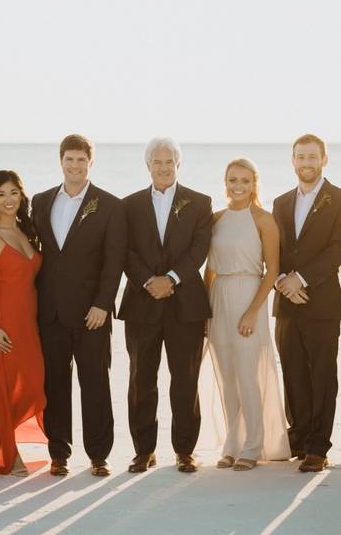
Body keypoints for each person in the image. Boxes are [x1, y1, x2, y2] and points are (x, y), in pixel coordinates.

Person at [31, 134, 126, 477]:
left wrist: (103, 304)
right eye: (69, 159)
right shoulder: (40, 202)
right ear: (60, 161)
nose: (75, 166)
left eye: (81, 160)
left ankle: (99, 455)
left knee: (95, 382)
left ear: (90, 163)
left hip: (92, 315)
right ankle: (58, 453)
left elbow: (114, 262)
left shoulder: (110, 205)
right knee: (54, 384)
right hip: (51, 313)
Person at [119, 137, 213, 473]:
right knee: (141, 379)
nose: (163, 167)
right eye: (156, 162)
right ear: (148, 166)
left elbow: (199, 250)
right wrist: (148, 281)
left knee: (185, 380)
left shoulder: (200, 203)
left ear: (178, 164)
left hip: (185, 303)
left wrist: (170, 279)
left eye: (168, 162)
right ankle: (143, 450)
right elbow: (125, 252)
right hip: (141, 305)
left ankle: (184, 450)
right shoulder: (128, 205)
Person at [272, 134, 341, 473]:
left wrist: (301, 279)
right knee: (293, 373)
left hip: (321, 302)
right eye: (301, 157)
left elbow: (338, 250)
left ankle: (318, 447)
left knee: (322, 375)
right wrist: (282, 281)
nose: (306, 163)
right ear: (292, 160)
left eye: (312, 157)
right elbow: (274, 249)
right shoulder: (279, 203)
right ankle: (299, 437)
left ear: (324, 159)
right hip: (287, 302)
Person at [205, 158, 290, 471]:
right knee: (226, 376)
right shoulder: (215, 218)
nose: (237, 186)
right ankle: (233, 443)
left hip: (248, 294)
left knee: (247, 376)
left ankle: (253, 446)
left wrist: (253, 311)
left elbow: (273, 271)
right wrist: (205, 310)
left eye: (244, 180)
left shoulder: (263, 220)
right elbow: (209, 268)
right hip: (218, 297)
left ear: (254, 183)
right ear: (224, 182)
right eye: (232, 180)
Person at [0, 170, 47, 476]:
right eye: (1, 194)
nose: (8, 200)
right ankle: (9, 452)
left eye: (13, 193)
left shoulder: (25, 231)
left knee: (32, 383)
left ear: (22, 195)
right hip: (5, 320)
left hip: (30, 320)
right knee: (5, 387)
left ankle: (10, 440)